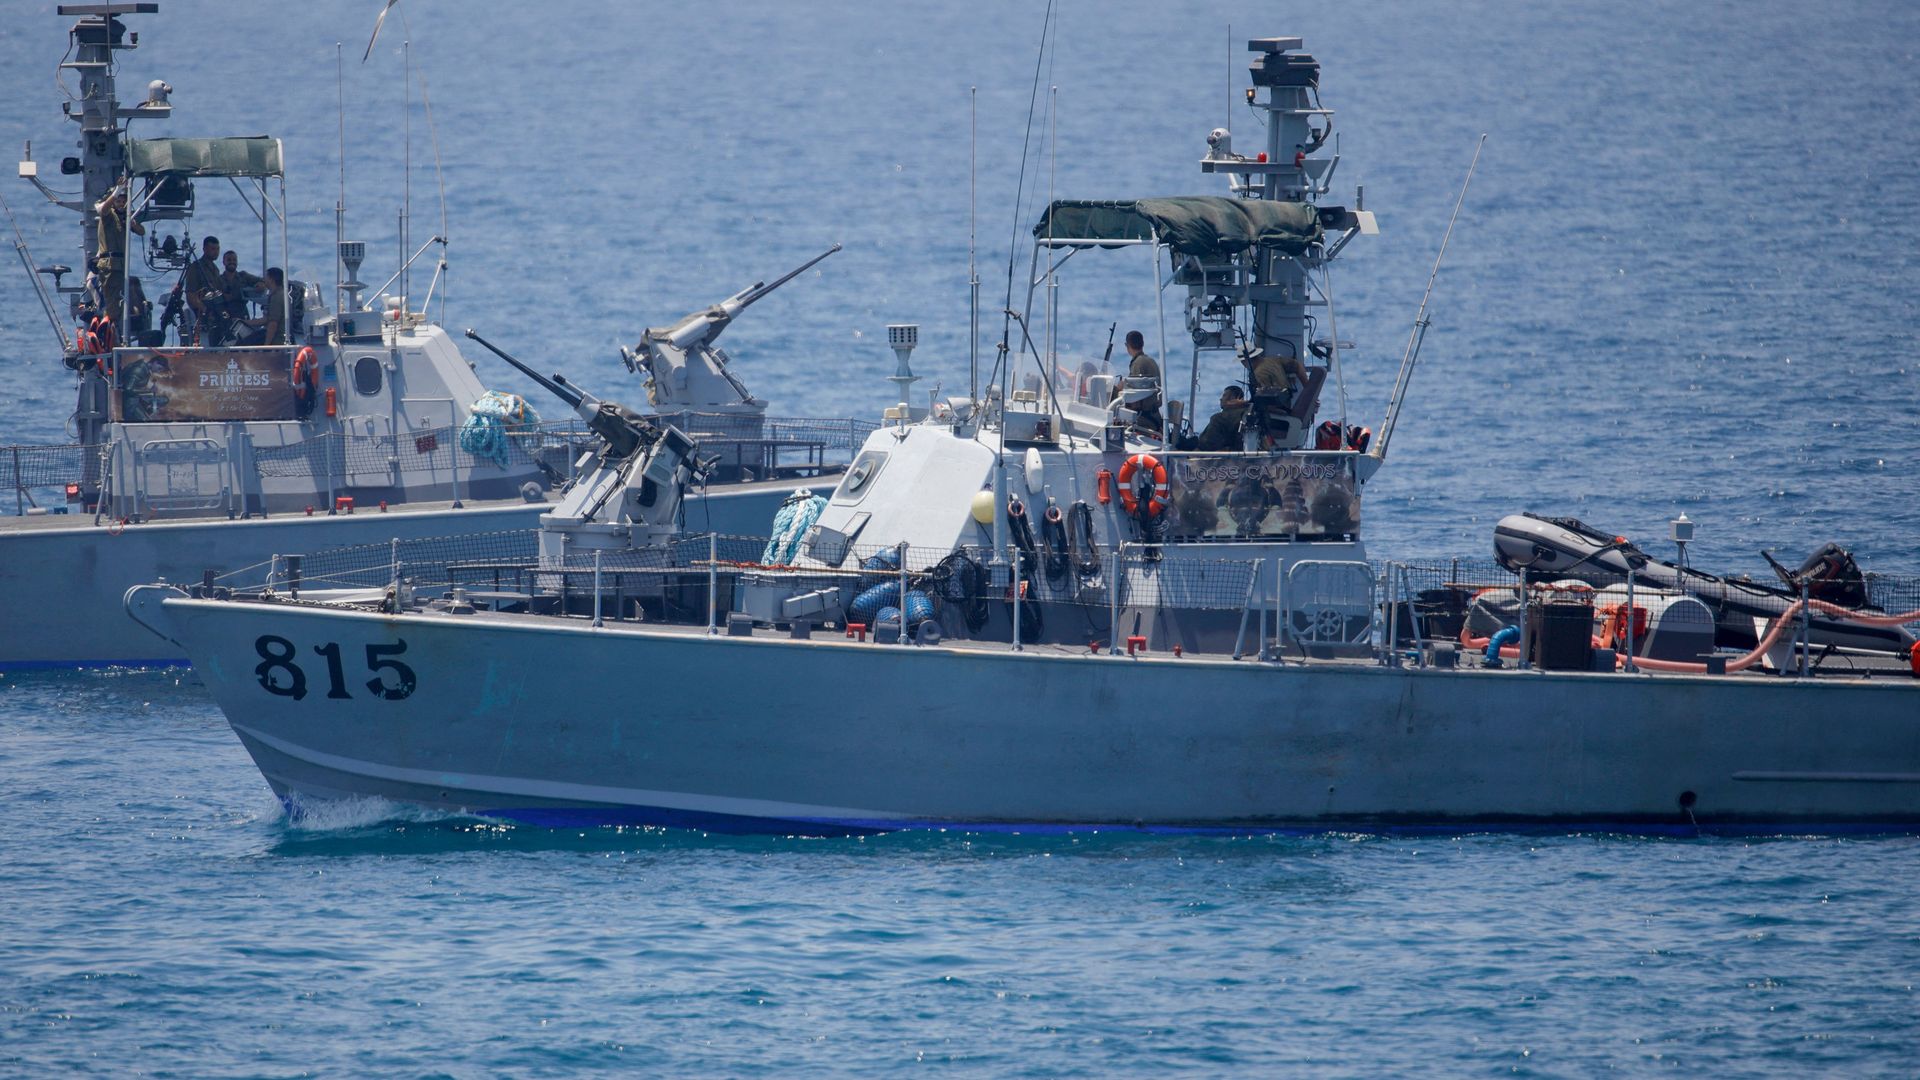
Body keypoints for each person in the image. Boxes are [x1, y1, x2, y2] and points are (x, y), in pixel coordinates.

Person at [93, 179, 144, 325]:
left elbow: (141, 231)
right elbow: (103, 209)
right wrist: (117, 191)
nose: (121, 204)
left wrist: (132, 223)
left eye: (124, 201)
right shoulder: (109, 216)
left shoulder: (125, 218)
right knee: (112, 302)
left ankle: (112, 328)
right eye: (119, 200)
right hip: (109, 264)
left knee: (118, 300)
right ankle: (109, 332)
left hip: (120, 265)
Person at [1111, 329, 1162, 431]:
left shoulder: (1137, 364)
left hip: (1144, 420)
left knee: (1112, 392)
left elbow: (1136, 399)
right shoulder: (1151, 361)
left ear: (1127, 346)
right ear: (1142, 344)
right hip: (1155, 417)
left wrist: (1120, 389)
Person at [180, 236, 225, 344]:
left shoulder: (215, 269)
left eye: (217, 249)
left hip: (215, 313)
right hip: (202, 315)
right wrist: (205, 309)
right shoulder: (195, 268)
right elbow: (190, 296)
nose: (216, 252)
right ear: (204, 249)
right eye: (212, 249)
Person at [241, 267, 289, 345]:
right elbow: (266, 320)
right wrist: (245, 322)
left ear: (271, 279)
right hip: (278, 338)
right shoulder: (280, 294)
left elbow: (273, 323)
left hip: (277, 340)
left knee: (244, 343)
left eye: (266, 277)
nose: (264, 279)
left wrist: (266, 345)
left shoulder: (277, 297)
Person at [1195, 386, 1249, 451]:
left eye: (1224, 396)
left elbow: (1207, 443)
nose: (1220, 399)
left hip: (1214, 451)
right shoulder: (1243, 412)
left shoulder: (1219, 418)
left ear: (1233, 398)